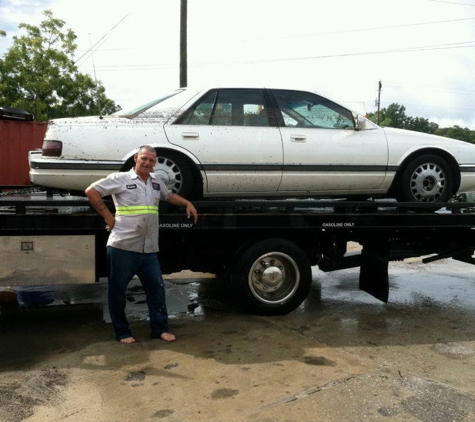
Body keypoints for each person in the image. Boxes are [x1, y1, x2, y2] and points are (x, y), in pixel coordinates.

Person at [85, 145, 198, 344]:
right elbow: (92, 191)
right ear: (136, 158)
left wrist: (187, 203)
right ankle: (122, 332)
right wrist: (108, 217)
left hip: (149, 248)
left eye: (151, 160)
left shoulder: (156, 181)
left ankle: (160, 329)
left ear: (155, 163)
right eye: (144, 159)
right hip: (123, 246)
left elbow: (168, 196)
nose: (147, 163)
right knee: (118, 291)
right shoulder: (120, 179)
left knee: (157, 288)